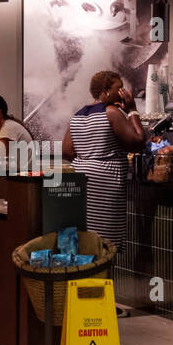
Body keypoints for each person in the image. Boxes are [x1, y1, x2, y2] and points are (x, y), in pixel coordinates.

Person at [63, 71, 146, 252]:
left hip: (81, 179)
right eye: (119, 88)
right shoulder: (111, 112)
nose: (124, 91)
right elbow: (138, 141)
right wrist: (132, 109)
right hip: (105, 182)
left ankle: (84, 273)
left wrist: (87, 157)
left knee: (83, 237)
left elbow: (67, 151)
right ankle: (101, 276)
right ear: (106, 91)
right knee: (103, 242)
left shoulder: (77, 115)